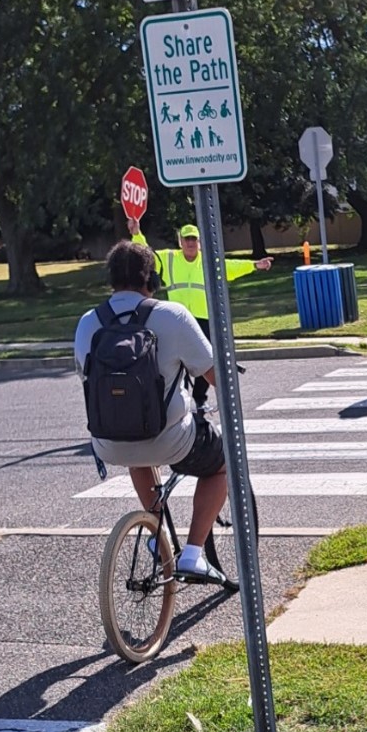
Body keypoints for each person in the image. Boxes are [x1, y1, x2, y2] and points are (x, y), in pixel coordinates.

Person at [74, 240, 227, 583]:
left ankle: (159, 540)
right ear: (151, 279)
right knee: (222, 464)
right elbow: (216, 376)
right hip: (171, 439)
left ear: (111, 279)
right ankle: (192, 554)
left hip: (109, 442)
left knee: (135, 449)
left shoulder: (88, 322)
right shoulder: (171, 315)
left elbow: (84, 376)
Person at [128, 218, 273, 408]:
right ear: (180, 241)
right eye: (186, 239)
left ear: (199, 242)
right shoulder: (169, 258)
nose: (190, 243)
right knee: (175, 362)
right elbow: (146, 254)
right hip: (176, 320)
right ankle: (177, 400)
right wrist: (136, 233)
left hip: (204, 320)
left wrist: (255, 265)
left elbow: (231, 266)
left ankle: (199, 400)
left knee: (206, 361)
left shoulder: (208, 261)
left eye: (193, 239)